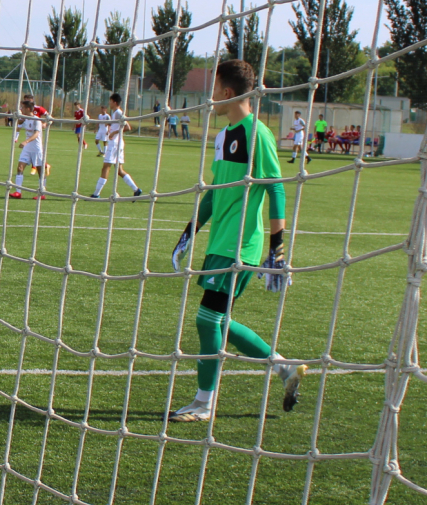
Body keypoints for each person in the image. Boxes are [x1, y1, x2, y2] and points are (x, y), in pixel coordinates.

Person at [167, 57, 305, 423]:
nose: (211, 97)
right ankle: (284, 368)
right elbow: (215, 191)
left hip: (241, 244)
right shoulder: (223, 137)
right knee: (219, 322)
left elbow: (275, 187)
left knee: (206, 320)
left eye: (214, 90)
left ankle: (203, 404)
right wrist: (190, 231)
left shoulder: (256, 133)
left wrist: (278, 247)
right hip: (220, 243)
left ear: (227, 92)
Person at [90, 93, 144, 199]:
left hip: (115, 144)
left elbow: (127, 127)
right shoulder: (115, 113)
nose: (109, 103)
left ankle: (96, 194)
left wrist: (114, 133)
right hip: (117, 143)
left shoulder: (118, 112)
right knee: (119, 170)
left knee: (105, 167)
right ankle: (136, 189)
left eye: (110, 101)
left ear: (114, 102)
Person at [9, 96, 48, 200]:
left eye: (23, 108)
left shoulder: (37, 120)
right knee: (20, 168)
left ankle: (42, 193)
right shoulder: (25, 119)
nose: (21, 109)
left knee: (40, 171)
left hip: (36, 149)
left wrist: (26, 141)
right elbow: (19, 124)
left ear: (28, 109)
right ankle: (18, 192)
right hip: (27, 149)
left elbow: (36, 134)